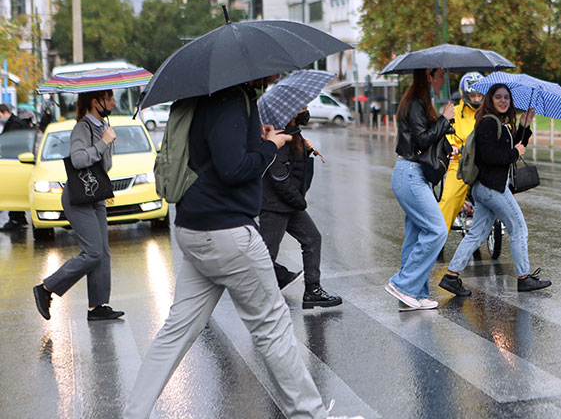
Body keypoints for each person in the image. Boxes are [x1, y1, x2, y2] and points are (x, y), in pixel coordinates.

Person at [123, 79, 329, 419]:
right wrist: (269, 146)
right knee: (273, 327)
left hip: (193, 229)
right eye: (270, 73)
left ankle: (134, 413)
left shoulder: (203, 97)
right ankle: (312, 415)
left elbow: (217, 152)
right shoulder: (232, 100)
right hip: (228, 231)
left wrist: (256, 139)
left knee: (176, 331)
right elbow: (233, 168)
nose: (273, 79)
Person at [438, 84, 552, 297]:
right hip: (492, 187)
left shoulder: (499, 122)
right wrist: (514, 154)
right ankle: (524, 278)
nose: (503, 101)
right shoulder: (488, 123)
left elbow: (514, 145)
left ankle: (451, 276)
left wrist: (524, 127)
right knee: (519, 228)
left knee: (477, 233)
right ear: (490, 100)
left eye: (506, 98)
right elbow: (491, 157)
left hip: (484, 188)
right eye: (498, 97)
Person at [32, 90, 124, 321]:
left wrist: (107, 140)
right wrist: (103, 143)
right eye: (109, 98)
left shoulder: (103, 126)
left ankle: (97, 307)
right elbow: (78, 159)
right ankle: (46, 289)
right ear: (97, 102)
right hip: (79, 196)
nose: (113, 102)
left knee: (102, 252)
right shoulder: (82, 128)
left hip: (96, 194)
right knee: (93, 252)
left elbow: (106, 166)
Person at [260, 107, 342, 309]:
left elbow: (293, 167)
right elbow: (279, 176)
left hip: (288, 203)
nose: (306, 110)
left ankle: (312, 291)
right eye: (302, 108)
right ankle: (260, 296)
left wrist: (305, 150)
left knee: (312, 238)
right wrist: (299, 201)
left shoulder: (293, 133)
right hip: (275, 205)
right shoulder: (279, 135)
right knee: (265, 255)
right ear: (290, 111)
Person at [387, 68, 455, 311]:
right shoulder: (416, 102)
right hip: (410, 174)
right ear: (428, 75)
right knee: (437, 230)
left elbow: (426, 138)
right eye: (440, 76)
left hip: (410, 174)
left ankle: (413, 295)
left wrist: (445, 129)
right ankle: (403, 284)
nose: (443, 80)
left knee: (415, 236)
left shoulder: (419, 102)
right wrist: (444, 119)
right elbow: (422, 140)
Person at [437, 72, 484, 233]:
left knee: (506, 191)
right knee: (449, 199)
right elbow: (446, 134)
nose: (477, 99)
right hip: (461, 162)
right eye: (473, 95)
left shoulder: (490, 112)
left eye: (480, 95)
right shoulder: (455, 112)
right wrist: (453, 146)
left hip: (486, 161)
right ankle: (438, 234)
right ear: (465, 94)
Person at [0, 103, 31, 231]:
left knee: (13, 188)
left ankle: (16, 218)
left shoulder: (14, 124)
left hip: (15, 161)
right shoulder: (15, 122)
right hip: (17, 160)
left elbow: (9, 142)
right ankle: (18, 218)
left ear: (5, 112)